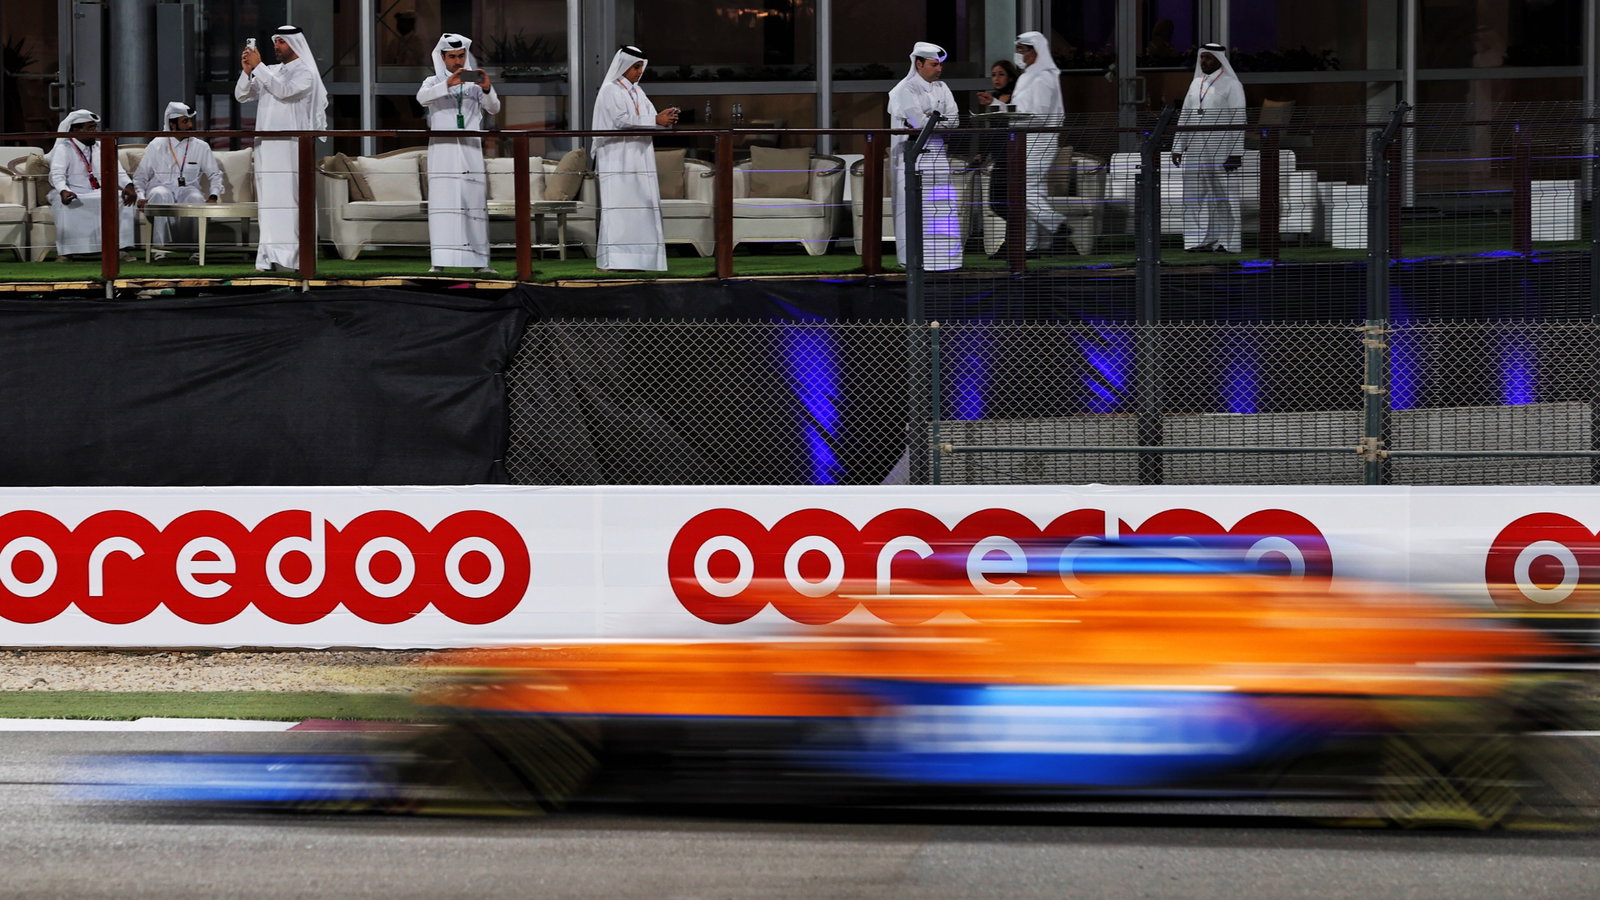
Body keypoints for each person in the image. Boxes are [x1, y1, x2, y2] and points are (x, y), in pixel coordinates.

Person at [236, 25, 329, 273]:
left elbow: (285, 91)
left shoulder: (306, 73)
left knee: (290, 201)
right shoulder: (272, 71)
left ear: (295, 44)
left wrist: (259, 68)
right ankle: (268, 258)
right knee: (269, 202)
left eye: (282, 42)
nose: (276, 46)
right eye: (275, 42)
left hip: (291, 148)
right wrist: (247, 72)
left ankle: (293, 259)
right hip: (266, 146)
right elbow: (242, 96)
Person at [417, 33, 501, 275]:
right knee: (443, 204)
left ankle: (480, 263)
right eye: (452, 57)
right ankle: (440, 261)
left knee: (473, 204)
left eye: (461, 56)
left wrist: (486, 88)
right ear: (442, 57)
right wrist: (447, 85)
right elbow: (421, 99)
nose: (457, 61)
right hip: (442, 152)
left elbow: (494, 108)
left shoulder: (476, 83)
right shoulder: (432, 81)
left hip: (471, 150)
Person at [592, 45, 677, 272]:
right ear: (624, 66)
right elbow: (620, 120)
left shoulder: (638, 92)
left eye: (641, 67)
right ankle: (616, 261)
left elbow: (651, 118)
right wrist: (655, 120)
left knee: (643, 209)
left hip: (640, 156)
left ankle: (643, 261)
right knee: (620, 209)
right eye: (635, 66)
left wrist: (665, 119)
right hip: (617, 158)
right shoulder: (611, 90)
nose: (639, 71)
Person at [887, 41, 961, 272]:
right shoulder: (904, 89)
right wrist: (934, 119)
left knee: (943, 208)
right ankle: (914, 259)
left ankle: (947, 260)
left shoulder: (942, 87)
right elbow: (919, 123)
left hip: (938, 155)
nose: (939, 69)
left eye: (940, 64)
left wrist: (932, 118)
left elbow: (955, 120)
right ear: (918, 64)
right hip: (912, 157)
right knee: (914, 208)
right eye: (934, 64)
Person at [1172, 43, 1245, 253]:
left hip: (1222, 148)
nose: (1204, 62)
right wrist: (1178, 146)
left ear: (1219, 60)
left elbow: (1239, 118)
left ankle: (1228, 244)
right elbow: (1185, 115)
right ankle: (1197, 242)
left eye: (1208, 58)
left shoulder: (1232, 85)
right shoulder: (1195, 84)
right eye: (1202, 58)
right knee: (1192, 197)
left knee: (1224, 197)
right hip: (1195, 148)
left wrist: (1236, 153)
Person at [47, 109, 138, 261]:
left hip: (93, 191)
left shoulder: (100, 147)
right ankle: (66, 253)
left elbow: (117, 171)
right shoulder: (64, 148)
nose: (94, 131)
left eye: (95, 127)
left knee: (120, 198)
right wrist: (64, 190)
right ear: (76, 129)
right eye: (90, 128)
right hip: (69, 191)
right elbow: (57, 174)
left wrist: (129, 185)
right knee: (65, 203)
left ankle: (119, 249)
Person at [134, 102, 223, 251]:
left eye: (190, 121)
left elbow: (215, 174)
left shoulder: (200, 146)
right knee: (159, 194)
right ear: (172, 124)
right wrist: (140, 196)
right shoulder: (156, 145)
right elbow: (140, 177)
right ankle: (159, 249)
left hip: (187, 189)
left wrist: (213, 196)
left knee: (195, 197)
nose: (190, 125)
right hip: (160, 187)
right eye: (185, 121)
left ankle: (194, 249)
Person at [1011, 32, 1069, 255]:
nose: (1019, 54)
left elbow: (1040, 114)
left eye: (1023, 49)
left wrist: (1010, 115)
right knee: (1036, 190)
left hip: (1040, 138)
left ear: (1036, 51)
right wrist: (998, 105)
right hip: (1025, 138)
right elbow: (1023, 110)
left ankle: (1057, 224)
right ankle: (1034, 245)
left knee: (1025, 189)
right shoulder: (1028, 76)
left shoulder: (1044, 77)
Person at [974, 60, 1020, 231]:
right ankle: (1016, 236)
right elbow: (990, 130)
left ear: (1010, 77)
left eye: (1001, 74)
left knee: (1010, 201)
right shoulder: (992, 97)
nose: (996, 78)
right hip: (999, 156)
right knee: (996, 202)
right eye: (994, 75)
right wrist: (981, 154)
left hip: (1013, 154)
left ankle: (1015, 240)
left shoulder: (1016, 97)